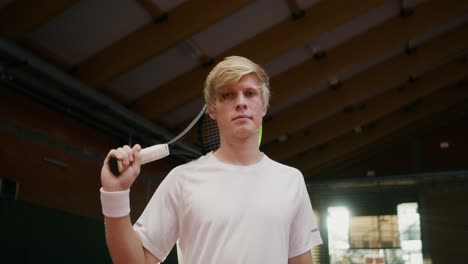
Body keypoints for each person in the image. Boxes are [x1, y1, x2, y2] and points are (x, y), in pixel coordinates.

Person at [99, 56, 322, 264]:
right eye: (228, 95)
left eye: (250, 93)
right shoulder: (182, 180)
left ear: (264, 106)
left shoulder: (291, 180)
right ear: (212, 110)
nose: (241, 102)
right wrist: (114, 193)